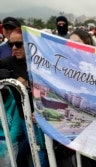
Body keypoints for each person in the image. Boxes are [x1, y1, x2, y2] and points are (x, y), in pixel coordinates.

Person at [0, 28, 50, 167]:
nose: (14, 48)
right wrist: (14, 77)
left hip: (48, 116)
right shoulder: (10, 62)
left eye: (19, 44)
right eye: (11, 45)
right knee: (37, 152)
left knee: (46, 151)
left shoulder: (42, 61)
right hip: (27, 119)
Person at [0, 87, 23, 167]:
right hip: (2, 137)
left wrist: (6, 148)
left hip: (16, 138)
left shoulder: (15, 100)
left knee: (15, 157)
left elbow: (16, 129)